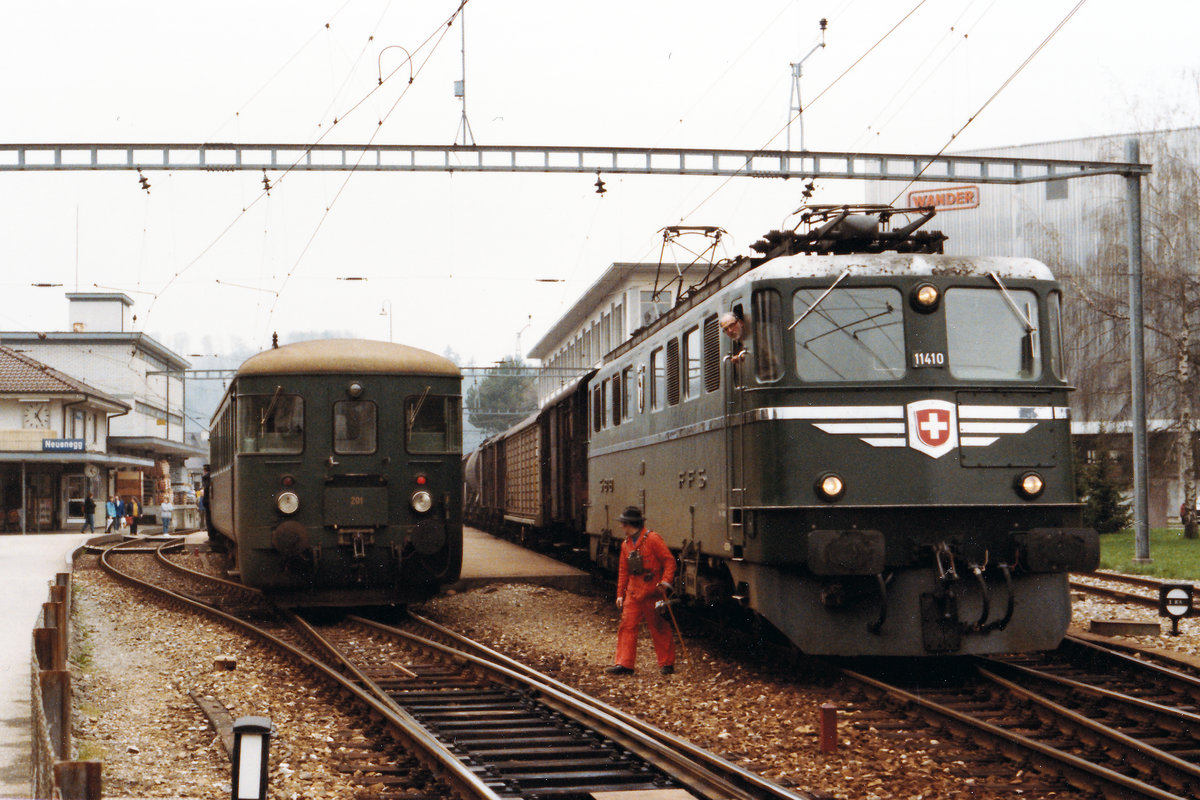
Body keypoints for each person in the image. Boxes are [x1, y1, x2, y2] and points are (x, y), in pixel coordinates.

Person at [607, 506, 677, 676]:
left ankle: (667, 663)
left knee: (659, 626)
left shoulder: (653, 539)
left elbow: (669, 561)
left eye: (622, 524)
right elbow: (624, 571)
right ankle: (624, 664)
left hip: (652, 592)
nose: (621, 527)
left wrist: (665, 582)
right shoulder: (626, 545)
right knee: (627, 626)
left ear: (629, 524)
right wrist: (620, 594)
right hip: (633, 593)